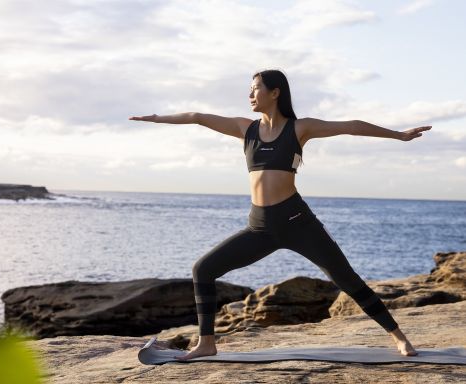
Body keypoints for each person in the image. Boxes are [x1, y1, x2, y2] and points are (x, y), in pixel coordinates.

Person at [129, 69, 431, 361]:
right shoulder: (245, 128)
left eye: (256, 88)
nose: (250, 94)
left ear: (275, 92)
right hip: (259, 227)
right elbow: (196, 117)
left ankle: (399, 337)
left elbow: (351, 125)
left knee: (347, 279)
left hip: (297, 223)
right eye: (249, 88)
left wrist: (399, 136)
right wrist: (155, 119)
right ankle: (206, 343)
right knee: (202, 270)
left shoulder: (299, 128)